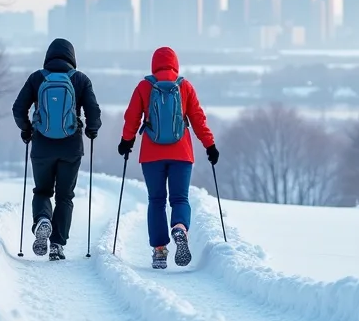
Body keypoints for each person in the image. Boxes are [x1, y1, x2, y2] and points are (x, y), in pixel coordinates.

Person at [118, 46, 218, 269]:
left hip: (151, 154)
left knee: (156, 201)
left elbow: (132, 117)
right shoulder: (185, 87)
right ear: (175, 63)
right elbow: (199, 119)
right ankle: (180, 228)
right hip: (181, 153)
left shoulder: (145, 86)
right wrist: (210, 145)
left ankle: (160, 251)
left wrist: (127, 141)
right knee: (180, 199)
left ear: (154, 64)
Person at [12, 38, 101, 260]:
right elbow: (93, 111)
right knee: (64, 196)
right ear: (72, 57)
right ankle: (57, 244)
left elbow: (18, 108)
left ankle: (42, 219)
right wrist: (92, 130)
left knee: (42, 191)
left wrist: (26, 130)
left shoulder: (37, 78)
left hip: (42, 145)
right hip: (71, 147)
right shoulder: (80, 79)